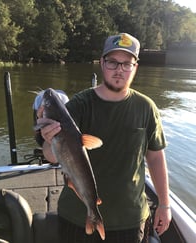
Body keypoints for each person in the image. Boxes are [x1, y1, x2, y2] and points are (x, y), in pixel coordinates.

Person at [36, 33, 172, 243]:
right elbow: (51, 156)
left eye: (126, 64)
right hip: (76, 215)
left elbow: (155, 158)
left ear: (135, 67)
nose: (119, 70)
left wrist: (164, 204)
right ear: (101, 63)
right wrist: (48, 137)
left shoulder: (146, 108)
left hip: (130, 218)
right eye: (112, 62)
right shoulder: (78, 105)